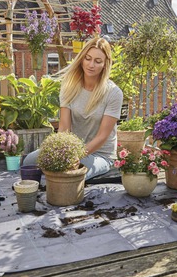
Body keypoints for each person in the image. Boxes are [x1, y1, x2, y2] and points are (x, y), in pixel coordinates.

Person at [22, 37, 123, 180]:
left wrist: (76, 155)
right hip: (70, 150)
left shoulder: (113, 93)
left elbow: (102, 137)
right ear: (82, 58)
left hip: (99, 155)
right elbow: (64, 128)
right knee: (29, 162)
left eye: (98, 61)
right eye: (88, 58)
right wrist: (61, 151)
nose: (91, 65)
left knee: (69, 173)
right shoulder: (69, 86)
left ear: (105, 65)